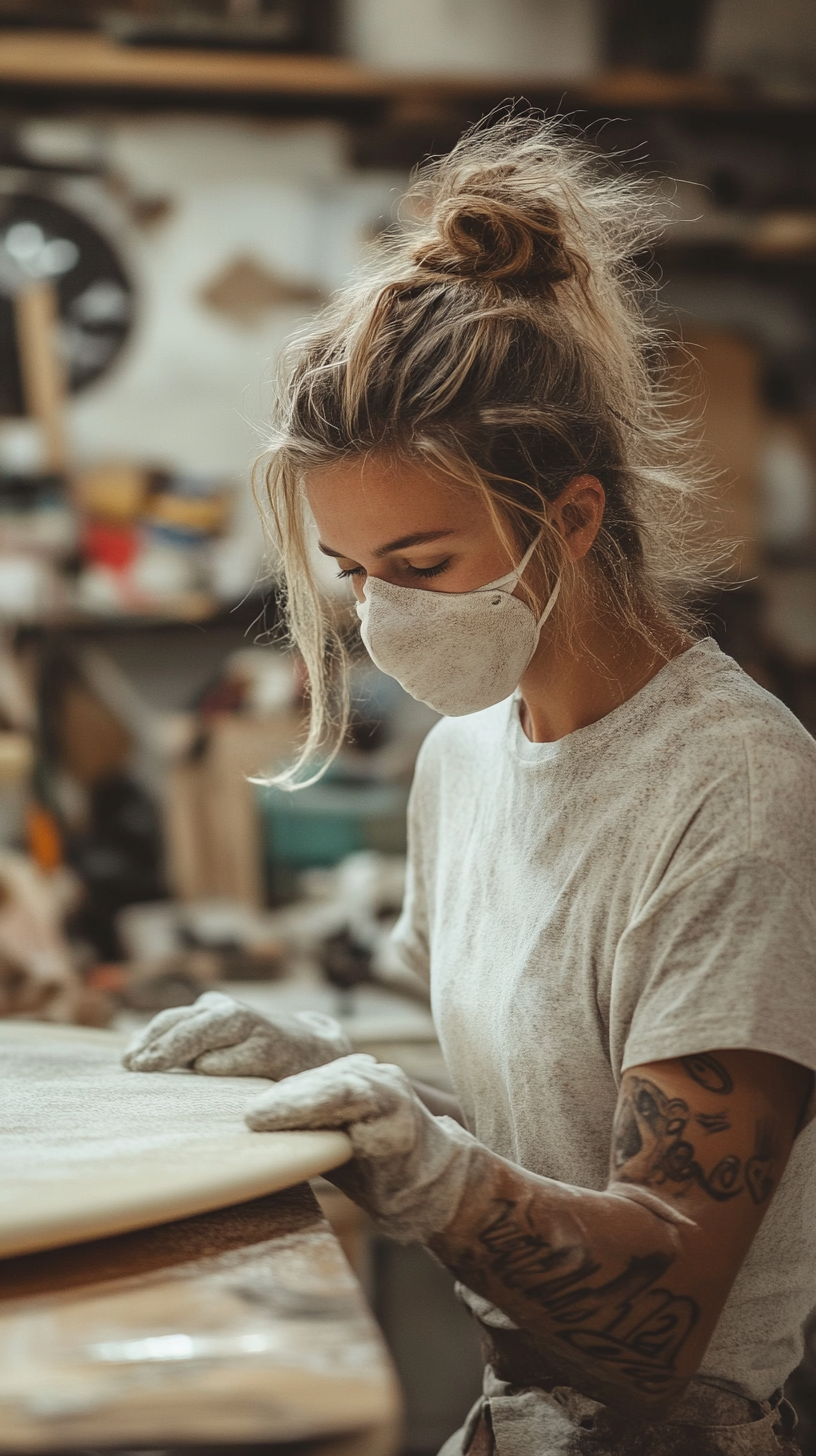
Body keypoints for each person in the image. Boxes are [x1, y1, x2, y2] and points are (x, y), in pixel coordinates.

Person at [124, 115, 816, 1454]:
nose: (380, 617)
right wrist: (356, 1088)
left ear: (571, 517)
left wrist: (424, 1170)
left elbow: (668, 1310)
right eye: (351, 569)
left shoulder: (737, 798)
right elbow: (546, 1144)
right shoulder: (467, 756)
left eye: (422, 565)